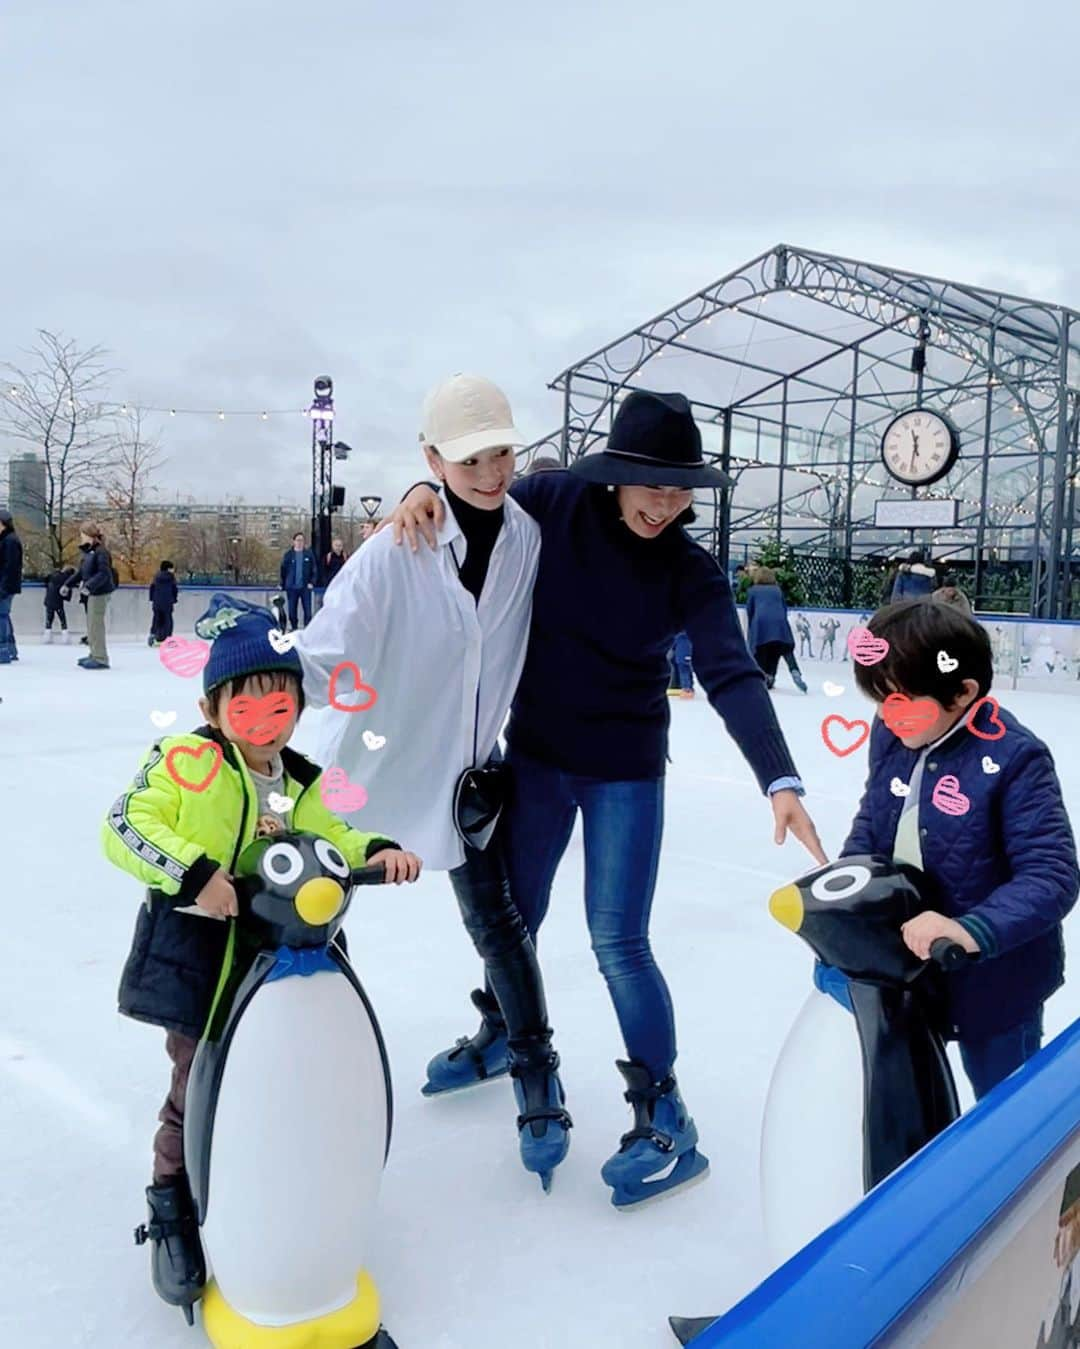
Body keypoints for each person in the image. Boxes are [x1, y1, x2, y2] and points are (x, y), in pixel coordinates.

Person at [386, 388, 826, 1207]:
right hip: (540, 757)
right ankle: (502, 1033)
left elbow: (730, 671)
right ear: (615, 475)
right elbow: (470, 498)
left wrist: (781, 776)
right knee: (514, 917)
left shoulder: (689, 569)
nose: (664, 504)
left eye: (679, 487)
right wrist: (417, 494)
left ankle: (664, 1107)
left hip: (625, 766)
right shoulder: (553, 501)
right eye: (649, 483)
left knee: (619, 940)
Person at [102, 593, 421, 1317]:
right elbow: (125, 823)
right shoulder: (186, 762)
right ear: (214, 709)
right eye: (246, 707)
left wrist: (379, 853)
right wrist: (194, 873)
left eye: (281, 706)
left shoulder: (302, 779)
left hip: (281, 959)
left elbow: (336, 832)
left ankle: (280, 1192)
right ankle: (173, 1210)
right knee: (198, 1083)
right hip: (200, 959)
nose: (265, 722)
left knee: (284, 1080)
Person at [299, 374, 572, 1190]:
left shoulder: (528, 533)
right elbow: (328, 649)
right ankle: (308, 1062)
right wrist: (261, 687)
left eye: (500, 452)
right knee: (313, 918)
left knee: (500, 926)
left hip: (463, 780)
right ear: (430, 458)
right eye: (466, 459)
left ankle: (536, 1073)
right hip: (363, 778)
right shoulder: (396, 548)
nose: (489, 471)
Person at [838, 599, 1078, 1100]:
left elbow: (1052, 875)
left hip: (994, 980)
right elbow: (876, 815)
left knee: (1003, 1104)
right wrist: (850, 881)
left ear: (964, 692)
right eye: (880, 701)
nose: (888, 715)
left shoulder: (1015, 757)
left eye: (902, 701)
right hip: (908, 966)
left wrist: (968, 930)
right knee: (914, 1095)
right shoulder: (892, 730)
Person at [746, 567, 808, 693]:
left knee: (762, 650)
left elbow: (750, 610)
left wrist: (752, 628)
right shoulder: (777, 590)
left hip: (761, 625)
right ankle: (794, 670)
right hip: (779, 623)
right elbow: (783, 608)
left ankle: (766, 676)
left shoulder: (753, 591)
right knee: (783, 649)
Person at [65, 522, 115, 669]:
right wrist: (67, 584)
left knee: (96, 625)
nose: (81, 537)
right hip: (92, 592)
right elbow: (81, 573)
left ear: (90, 536)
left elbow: (104, 573)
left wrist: (89, 586)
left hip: (99, 592)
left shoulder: (101, 552)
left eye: (83, 535)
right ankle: (94, 653)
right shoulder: (89, 553)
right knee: (91, 625)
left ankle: (100, 658)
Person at [279, 532, 317, 630]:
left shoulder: (309, 554)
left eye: (302, 540)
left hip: (305, 588)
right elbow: (283, 570)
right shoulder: (288, 555)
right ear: (294, 542)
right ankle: (294, 629)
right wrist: (282, 584)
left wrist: (312, 582)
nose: (300, 542)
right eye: (298, 540)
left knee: (308, 612)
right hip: (291, 588)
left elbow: (314, 570)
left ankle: (307, 630)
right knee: (292, 611)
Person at [0, 509, 23, 664]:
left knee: (1, 616)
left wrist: (3, 588)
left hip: (5, 585)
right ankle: (10, 648)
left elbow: (11, 567)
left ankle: (3, 650)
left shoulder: (10, 541)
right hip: (5, 584)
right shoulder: (6, 540)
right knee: (4, 615)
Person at [148, 560, 179, 646]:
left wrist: (152, 598)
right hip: (167, 602)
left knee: (157, 619)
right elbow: (174, 589)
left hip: (157, 601)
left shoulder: (156, 576)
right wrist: (174, 599)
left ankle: (154, 635)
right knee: (167, 620)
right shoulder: (171, 577)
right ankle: (168, 638)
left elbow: (152, 587)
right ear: (168, 568)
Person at [43, 564, 77, 642]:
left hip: (48, 600)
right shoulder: (67, 581)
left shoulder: (53, 575)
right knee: (62, 619)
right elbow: (67, 595)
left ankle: (47, 636)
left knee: (49, 618)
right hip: (58, 602)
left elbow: (45, 579)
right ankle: (65, 637)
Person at [667, 631, 695, 698]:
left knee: (684, 669)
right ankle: (686, 687)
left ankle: (687, 689)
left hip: (684, 653)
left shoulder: (683, 636)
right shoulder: (678, 636)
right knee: (682, 668)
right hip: (680, 654)